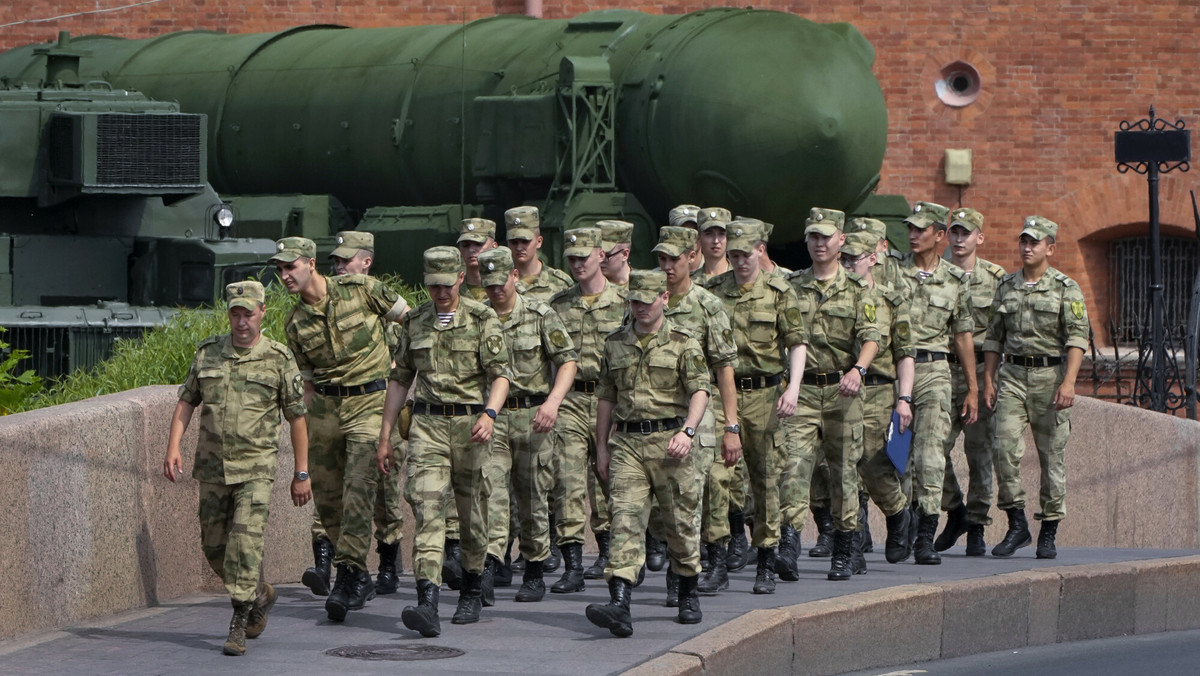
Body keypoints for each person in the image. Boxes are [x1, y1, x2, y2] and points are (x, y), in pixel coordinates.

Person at [163, 280, 311, 656]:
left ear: (262, 312)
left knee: (245, 545)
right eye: (235, 313)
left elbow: (296, 418)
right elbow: (186, 402)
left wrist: (301, 472)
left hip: (256, 471)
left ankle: (239, 621)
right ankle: (260, 594)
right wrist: (173, 447)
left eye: (248, 313)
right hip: (212, 469)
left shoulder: (278, 358)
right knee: (215, 549)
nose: (241, 321)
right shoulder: (208, 353)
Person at [377, 246, 512, 636]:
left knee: (472, 516)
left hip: (472, 425)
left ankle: (472, 587)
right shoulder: (415, 322)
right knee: (427, 510)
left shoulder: (483, 318)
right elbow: (400, 379)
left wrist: (490, 413)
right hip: (428, 428)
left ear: (459, 278)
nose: (440, 293)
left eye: (446, 284)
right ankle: (427, 601)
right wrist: (385, 436)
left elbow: (501, 374)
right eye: (433, 285)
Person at [272, 236, 409, 622]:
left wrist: (404, 377)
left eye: (291, 266)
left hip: (371, 402)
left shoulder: (362, 291)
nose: (285, 275)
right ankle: (360, 575)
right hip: (327, 411)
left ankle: (348, 574)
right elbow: (308, 386)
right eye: (280, 269)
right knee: (329, 498)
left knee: (358, 486)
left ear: (311, 264)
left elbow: (412, 321)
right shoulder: (295, 323)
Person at [585, 269, 711, 637]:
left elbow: (701, 390)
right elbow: (606, 396)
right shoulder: (615, 343)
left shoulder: (683, 343)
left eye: (646, 300)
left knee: (680, 524)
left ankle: (687, 590)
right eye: (634, 301)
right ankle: (620, 603)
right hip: (627, 444)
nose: (639, 307)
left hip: (670, 443)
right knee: (623, 518)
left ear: (664, 300)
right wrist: (602, 447)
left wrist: (688, 431)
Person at [703, 220, 807, 594]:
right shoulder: (713, 291)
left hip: (765, 395)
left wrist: (792, 389)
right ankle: (718, 558)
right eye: (733, 255)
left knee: (765, 481)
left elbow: (797, 342)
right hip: (722, 395)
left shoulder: (780, 291)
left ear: (760, 250)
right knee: (715, 476)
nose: (739, 262)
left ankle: (766, 559)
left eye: (745, 254)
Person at [781, 208, 883, 581]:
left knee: (843, 473)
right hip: (803, 391)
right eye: (813, 236)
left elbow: (872, 336)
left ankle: (845, 548)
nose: (819, 243)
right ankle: (788, 546)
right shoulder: (791, 287)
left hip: (843, 391)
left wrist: (859, 369)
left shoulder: (857, 290)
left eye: (826, 236)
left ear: (841, 239)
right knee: (793, 468)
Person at [983, 216, 1088, 559]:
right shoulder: (1007, 285)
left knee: (1051, 457)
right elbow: (994, 338)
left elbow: (1077, 338)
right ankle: (1017, 523)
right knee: (1002, 447)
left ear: (1050, 248)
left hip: (1050, 378)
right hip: (1012, 376)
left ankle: (1048, 530)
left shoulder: (1065, 287)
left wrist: (1069, 383)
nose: (1027, 248)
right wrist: (987, 379)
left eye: (1035, 242)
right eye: (1024, 241)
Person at [477, 246, 578, 603]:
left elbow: (567, 361)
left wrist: (552, 402)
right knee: (491, 492)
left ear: (514, 277)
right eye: (488, 285)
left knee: (533, 495)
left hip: (532, 417)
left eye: (501, 282)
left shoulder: (540, 314)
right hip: (493, 417)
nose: (495, 290)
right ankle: (488, 566)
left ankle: (535, 568)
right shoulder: (478, 317)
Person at [653, 226, 741, 598]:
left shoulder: (708, 306)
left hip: (705, 412)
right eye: (662, 259)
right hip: (660, 412)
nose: (668, 266)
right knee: (670, 495)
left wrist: (732, 426)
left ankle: (716, 558)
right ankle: (679, 569)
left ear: (692, 258)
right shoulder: (648, 300)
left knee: (713, 487)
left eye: (675, 258)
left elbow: (724, 369)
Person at [897, 202, 979, 566]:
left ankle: (924, 536)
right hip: (896, 372)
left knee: (930, 454)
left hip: (934, 372)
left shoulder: (956, 282)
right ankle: (899, 523)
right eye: (910, 229)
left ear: (939, 236)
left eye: (921, 229)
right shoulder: (891, 273)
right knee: (894, 457)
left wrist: (974, 387)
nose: (913, 235)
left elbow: (962, 337)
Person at [548, 227, 628, 589]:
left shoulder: (625, 304)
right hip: (570, 400)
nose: (578, 263)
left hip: (610, 401)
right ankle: (573, 564)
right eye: (572, 258)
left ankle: (615, 554)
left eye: (584, 256)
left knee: (610, 478)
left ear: (601, 255)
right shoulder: (559, 305)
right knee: (567, 481)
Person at [838, 230, 917, 571]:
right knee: (844, 467)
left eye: (853, 259)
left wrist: (904, 398)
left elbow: (905, 355)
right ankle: (852, 544)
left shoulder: (891, 301)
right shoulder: (833, 299)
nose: (847, 265)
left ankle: (898, 512)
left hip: (879, 389)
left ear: (872, 259)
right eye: (843, 259)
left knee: (872, 463)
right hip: (839, 390)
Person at [933, 208, 1007, 556]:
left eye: (966, 233)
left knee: (979, 453)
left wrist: (989, 381)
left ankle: (977, 524)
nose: (959, 239)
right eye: (954, 233)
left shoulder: (996, 278)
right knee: (932, 447)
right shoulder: (936, 274)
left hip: (980, 370)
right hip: (943, 372)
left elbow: (1000, 333)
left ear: (980, 237)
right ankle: (955, 510)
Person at [507, 205, 574, 303]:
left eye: (525, 241)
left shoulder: (561, 284)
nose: (519, 247)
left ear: (539, 242)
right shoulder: (502, 283)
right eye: (514, 242)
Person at [458, 218, 499, 302]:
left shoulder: (505, 290)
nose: (471, 250)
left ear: (494, 246)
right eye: (466, 245)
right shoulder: (453, 292)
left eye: (478, 244)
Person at [598, 219, 635, 286]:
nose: (600, 260)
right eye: (597, 254)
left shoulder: (642, 286)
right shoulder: (590, 287)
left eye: (606, 255)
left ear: (625, 254)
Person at [667, 204, 703, 273]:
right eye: (682, 231)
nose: (689, 236)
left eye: (694, 230)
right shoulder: (660, 278)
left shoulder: (718, 274)